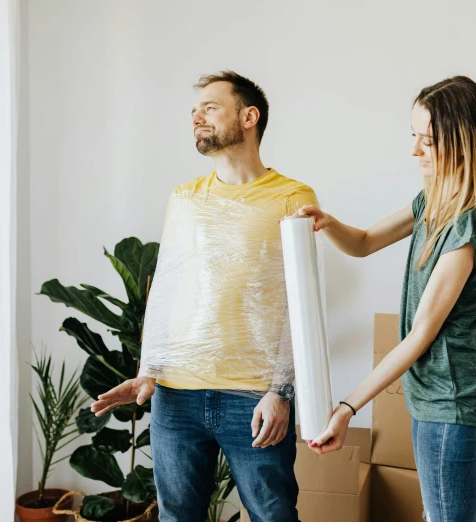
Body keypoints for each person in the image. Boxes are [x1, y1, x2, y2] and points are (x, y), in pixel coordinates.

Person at [91, 71, 315, 522]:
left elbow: (300, 302)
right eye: (194, 110)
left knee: (273, 515)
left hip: (251, 396)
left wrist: (281, 390)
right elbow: (168, 287)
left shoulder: (293, 197)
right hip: (176, 395)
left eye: (210, 107)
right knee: (178, 516)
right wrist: (148, 369)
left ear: (248, 117)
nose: (197, 116)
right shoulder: (185, 198)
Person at [294, 76, 476, 522]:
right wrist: (328, 222)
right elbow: (367, 241)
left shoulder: (464, 230)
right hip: (434, 398)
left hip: (452, 403)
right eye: (414, 137)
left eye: (427, 141)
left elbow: (418, 338)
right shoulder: (433, 201)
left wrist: (347, 407)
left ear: (464, 144)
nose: (415, 152)